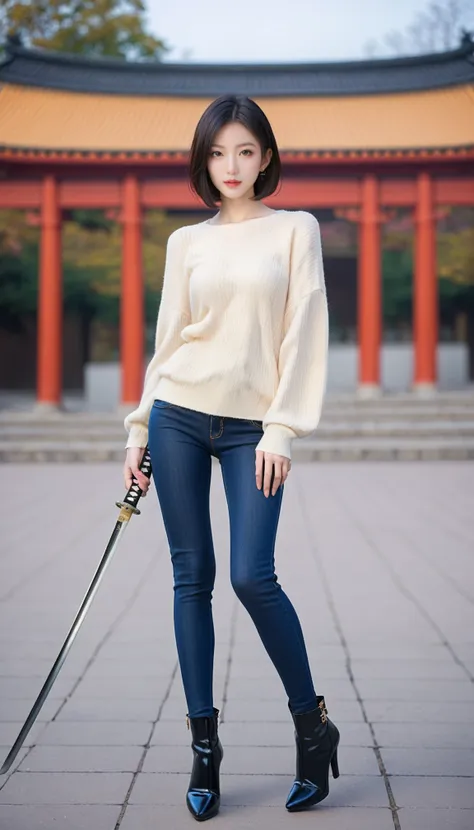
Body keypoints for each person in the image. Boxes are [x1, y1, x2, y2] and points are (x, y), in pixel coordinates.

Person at [123, 94, 340, 822]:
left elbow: (304, 329)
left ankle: (313, 727)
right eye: (219, 153)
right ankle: (205, 751)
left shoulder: (295, 231)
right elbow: (168, 342)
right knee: (193, 578)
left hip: (253, 426)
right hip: (178, 416)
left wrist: (282, 429)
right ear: (203, 161)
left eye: (245, 151)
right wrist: (138, 430)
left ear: (267, 157)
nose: (232, 166)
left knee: (252, 574)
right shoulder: (187, 243)